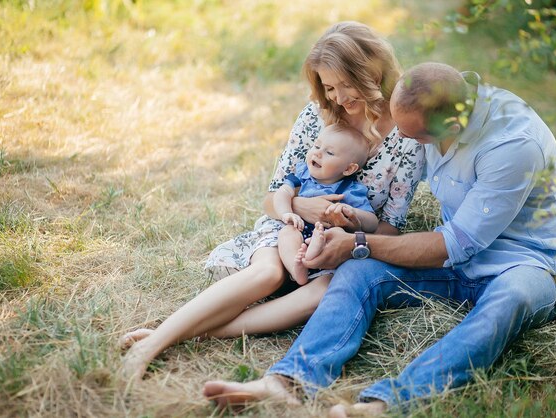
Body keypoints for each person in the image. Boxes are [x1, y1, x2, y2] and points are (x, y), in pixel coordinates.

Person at [201, 62, 556, 417]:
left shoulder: (513, 145)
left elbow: (452, 244)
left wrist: (358, 243)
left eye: (415, 136)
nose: (401, 138)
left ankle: (389, 402)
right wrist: (336, 216)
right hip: (456, 265)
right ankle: (288, 380)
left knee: (510, 298)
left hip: (525, 263)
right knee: (356, 273)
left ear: (451, 125)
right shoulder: (434, 100)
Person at [119, 21, 425, 380]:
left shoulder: (406, 135)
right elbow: (273, 196)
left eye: (346, 84)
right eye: (329, 87)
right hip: (288, 227)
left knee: (323, 292)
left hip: (340, 247)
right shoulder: (317, 115)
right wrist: (298, 208)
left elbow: (391, 227)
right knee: (267, 272)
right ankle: (152, 345)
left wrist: (350, 238)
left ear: (372, 70)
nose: (339, 98)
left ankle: (179, 335)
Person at [275, 123, 378, 285]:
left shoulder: (350, 190)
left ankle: (313, 253)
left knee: (334, 234)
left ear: (349, 168)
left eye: (329, 152)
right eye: (317, 145)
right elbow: (282, 193)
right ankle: (297, 269)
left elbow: (372, 222)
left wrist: (352, 212)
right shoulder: (302, 175)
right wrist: (286, 213)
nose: (317, 153)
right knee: (287, 233)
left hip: (328, 238)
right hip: (299, 229)